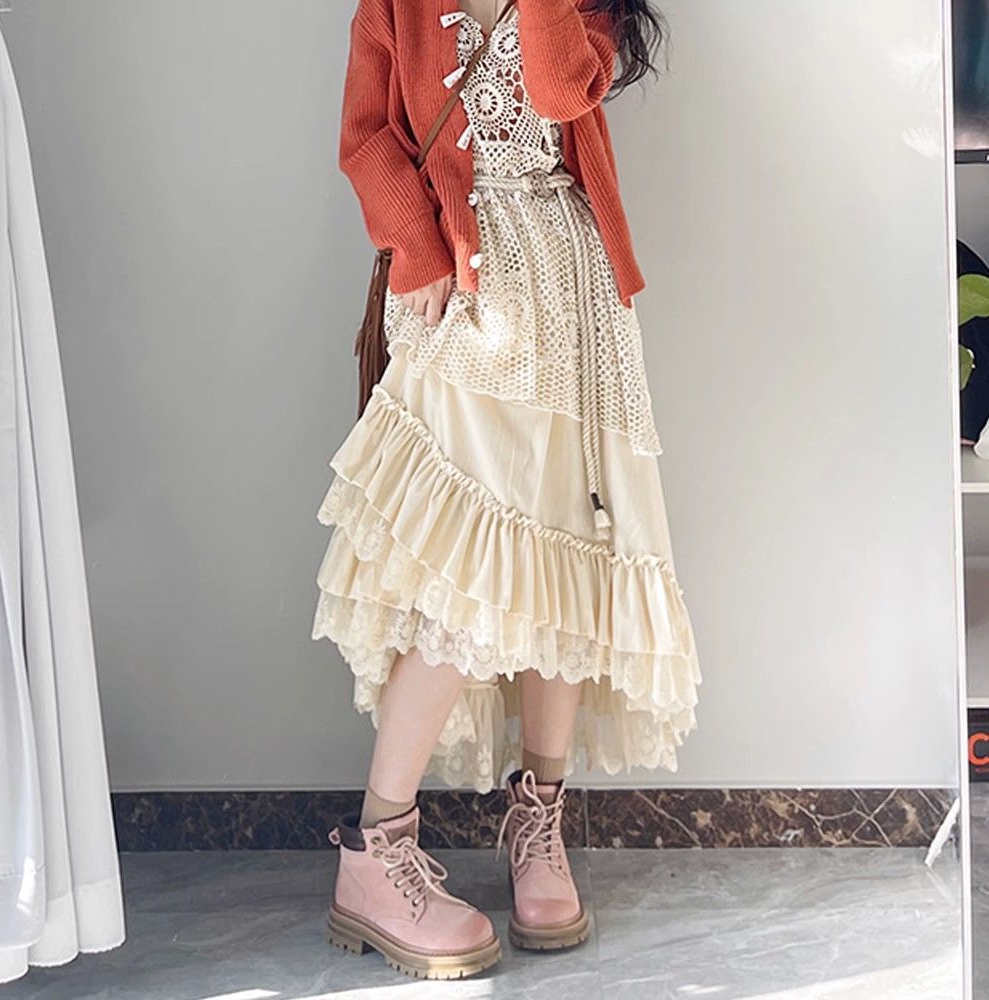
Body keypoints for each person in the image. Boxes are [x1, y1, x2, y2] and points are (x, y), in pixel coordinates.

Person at [312, 0, 701, 979]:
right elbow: (366, 137)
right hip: (460, 284)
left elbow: (561, 90)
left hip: (571, 292)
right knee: (460, 577)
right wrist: (418, 244)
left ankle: (538, 822)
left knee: (564, 555)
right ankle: (377, 852)